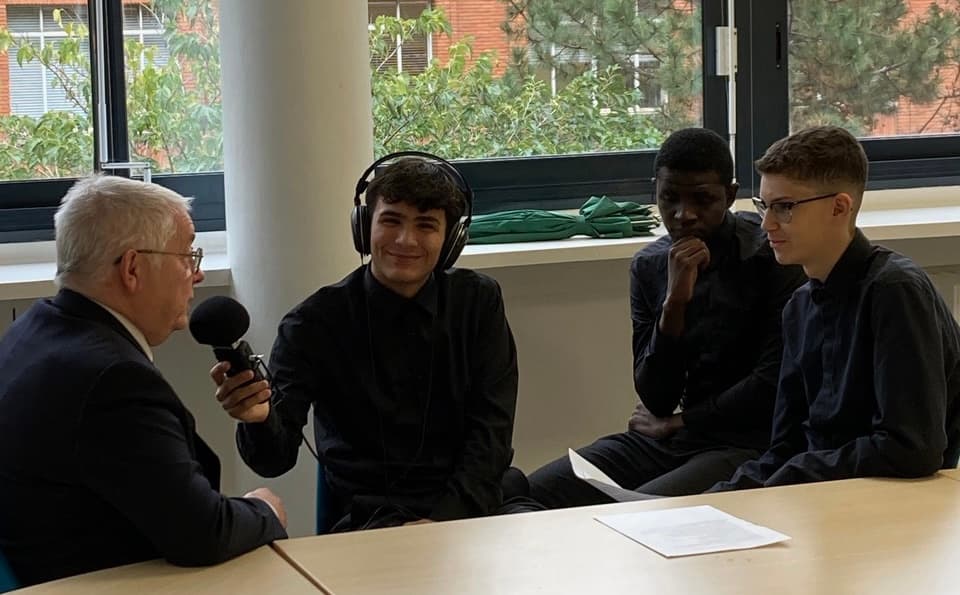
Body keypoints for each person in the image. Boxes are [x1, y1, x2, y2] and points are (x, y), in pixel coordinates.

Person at [214, 154, 536, 531]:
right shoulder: (313, 323)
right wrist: (259, 419)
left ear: (450, 239)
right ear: (364, 226)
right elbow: (274, 459)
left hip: (473, 506)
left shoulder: (479, 302)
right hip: (372, 519)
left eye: (426, 225)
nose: (406, 240)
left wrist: (442, 521)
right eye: (391, 220)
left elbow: (492, 433)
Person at [0, 175, 287, 588]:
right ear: (133, 268)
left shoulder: (33, 330)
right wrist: (263, 510)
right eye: (188, 255)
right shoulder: (113, 381)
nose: (198, 275)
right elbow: (201, 533)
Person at [527, 128, 806, 508]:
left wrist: (682, 420)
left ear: (730, 194)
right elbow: (656, 396)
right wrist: (674, 303)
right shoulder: (651, 265)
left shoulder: (771, 257)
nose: (683, 214)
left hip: (747, 442)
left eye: (702, 200)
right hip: (669, 439)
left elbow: (772, 381)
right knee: (525, 494)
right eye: (669, 198)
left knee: (641, 514)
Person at [711, 126, 960, 491]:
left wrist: (795, 474)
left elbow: (912, 448)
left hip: (894, 508)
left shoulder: (895, 290)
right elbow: (786, 448)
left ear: (839, 207)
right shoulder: (799, 307)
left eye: (785, 207)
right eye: (764, 206)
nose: (767, 224)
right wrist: (716, 502)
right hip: (822, 498)